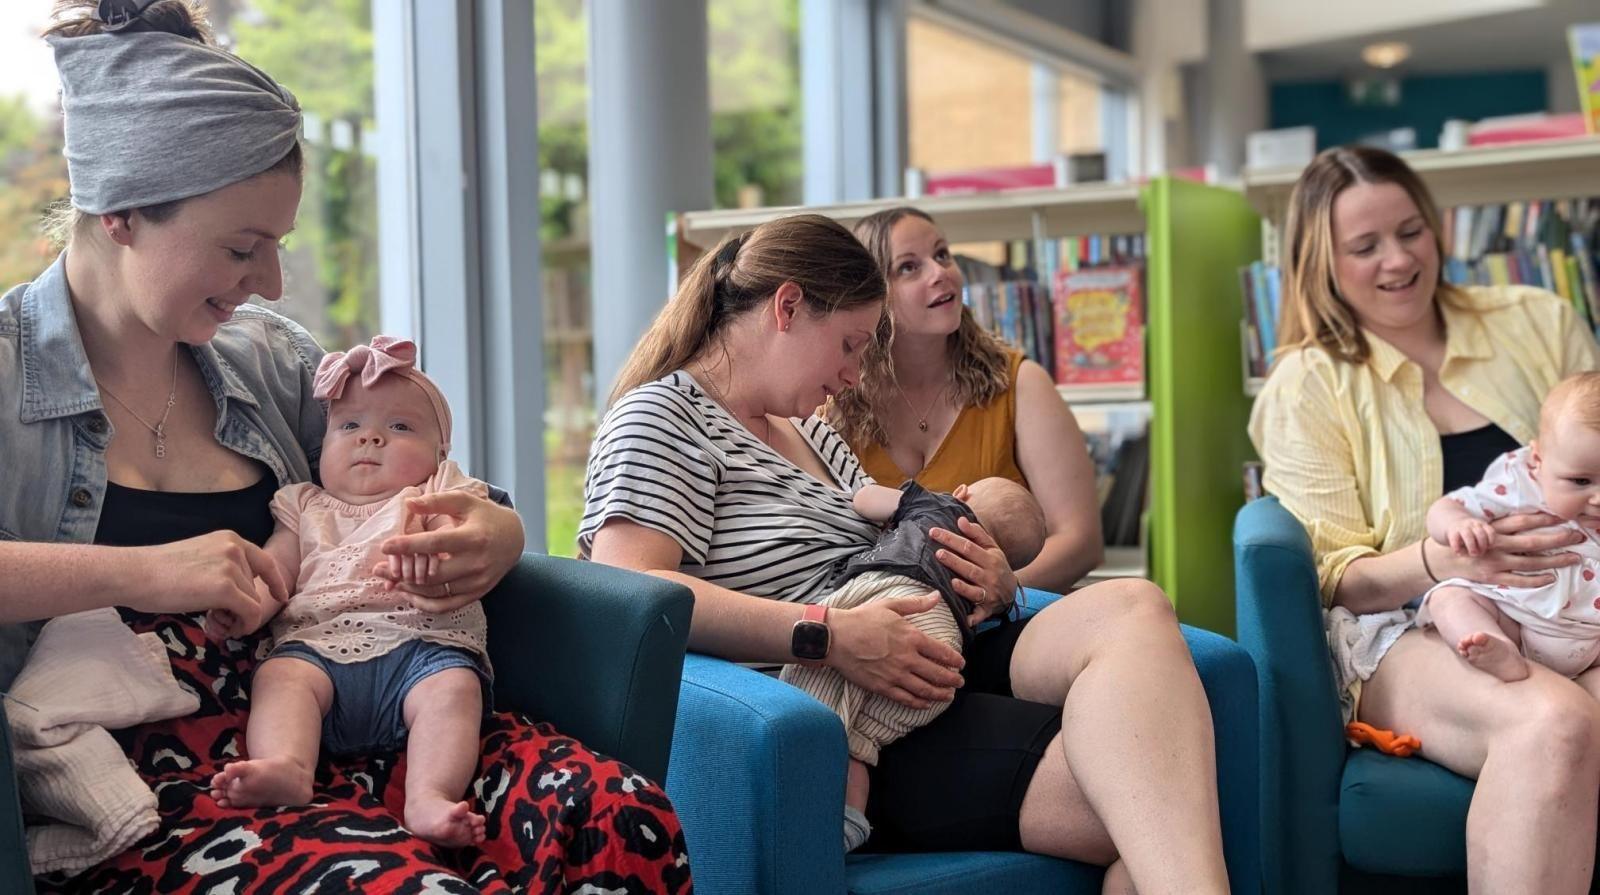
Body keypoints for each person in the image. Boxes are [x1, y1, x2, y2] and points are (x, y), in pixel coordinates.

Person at [0, 3, 688, 891]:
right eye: (243, 247)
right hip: (162, 781)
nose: (272, 282)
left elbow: (431, 476)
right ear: (122, 211)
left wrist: (495, 537)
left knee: (612, 816)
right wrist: (146, 571)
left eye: (278, 246)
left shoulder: (272, 358)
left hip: (368, 720)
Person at [583, 213, 1229, 895]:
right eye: (850, 345)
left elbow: (902, 531)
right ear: (788, 307)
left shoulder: (808, 432)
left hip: (926, 645)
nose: (855, 376)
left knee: (1134, 604)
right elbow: (632, 590)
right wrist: (827, 635)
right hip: (846, 708)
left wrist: (994, 578)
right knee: (1158, 793)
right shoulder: (662, 419)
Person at [1250, 144, 1600, 892]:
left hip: (1578, 602)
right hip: (1411, 625)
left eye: (1411, 231)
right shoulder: (1307, 384)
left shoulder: (1538, 320)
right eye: (1365, 245)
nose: (1398, 259)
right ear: (1323, 262)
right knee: (1553, 723)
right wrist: (1449, 563)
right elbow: (1337, 578)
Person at [205, 336, 493, 849]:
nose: (371, 439)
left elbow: (470, 539)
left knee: (454, 688)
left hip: (421, 650)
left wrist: (436, 550)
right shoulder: (303, 505)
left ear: (440, 452)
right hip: (318, 650)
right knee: (280, 676)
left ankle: (428, 795)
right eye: (350, 426)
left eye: (399, 427)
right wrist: (248, 605)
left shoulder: (438, 490)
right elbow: (278, 570)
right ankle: (289, 766)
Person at [826, 206, 1103, 593]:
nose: (940, 272)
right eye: (909, 267)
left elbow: (1080, 543)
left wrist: (993, 592)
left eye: (942, 255)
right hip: (879, 619)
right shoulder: (832, 400)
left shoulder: (1021, 383)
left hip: (1009, 615)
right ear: (870, 294)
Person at [779, 476, 1047, 852]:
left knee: (813, 694)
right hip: (943, 647)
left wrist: (867, 497)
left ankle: (800, 808)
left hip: (895, 601)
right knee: (861, 740)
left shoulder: (938, 506)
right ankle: (850, 819)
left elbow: (867, 500)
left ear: (963, 492)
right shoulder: (987, 568)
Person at [1419, 372, 1600, 684]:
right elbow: (1446, 508)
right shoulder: (1519, 484)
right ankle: (1498, 650)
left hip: (1590, 635)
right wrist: (1459, 525)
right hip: (1514, 617)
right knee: (1450, 597)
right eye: (1580, 481)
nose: (1597, 499)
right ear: (1538, 460)